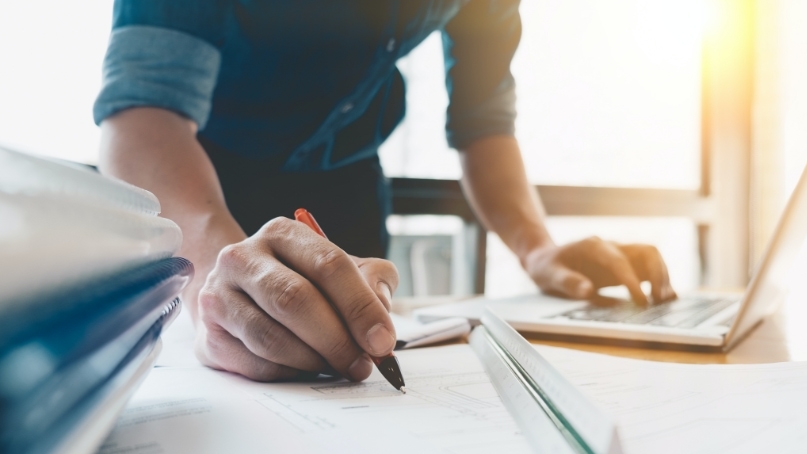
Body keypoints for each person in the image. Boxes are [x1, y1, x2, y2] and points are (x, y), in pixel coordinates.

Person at [95, 1, 676, 383]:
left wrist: (536, 247)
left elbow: (485, 125)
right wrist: (210, 271)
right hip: (196, 184)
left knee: (350, 372)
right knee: (233, 371)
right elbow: (144, 115)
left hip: (345, 186)